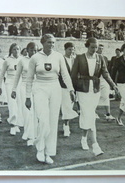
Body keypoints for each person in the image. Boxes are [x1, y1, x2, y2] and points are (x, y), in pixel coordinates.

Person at [25, 34, 75, 164]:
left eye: (53, 43)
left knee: (53, 122)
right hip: (39, 88)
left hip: (55, 88)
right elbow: (29, 78)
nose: (51, 45)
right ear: (42, 43)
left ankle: (49, 152)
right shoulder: (35, 58)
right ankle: (40, 149)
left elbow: (65, 74)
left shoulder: (58, 56)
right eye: (49, 42)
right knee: (43, 121)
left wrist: (71, 89)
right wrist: (27, 97)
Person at [71, 38, 118, 156]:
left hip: (95, 90)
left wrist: (113, 85)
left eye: (96, 47)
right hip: (82, 90)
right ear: (87, 46)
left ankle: (83, 137)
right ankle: (95, 145)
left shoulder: (100, 58)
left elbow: (105, 73)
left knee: (89, 114)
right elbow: (73, 76)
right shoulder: (79, 58)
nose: (94, 49)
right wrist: (72, 91)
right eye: (92, 47)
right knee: (89, 115)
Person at [11, 42, 38, 145]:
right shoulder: (22, 61)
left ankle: (33, 134)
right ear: (27, 50)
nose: (34, 52)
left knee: (35, 112)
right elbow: (17, 76)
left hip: (37, 87)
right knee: (27, 112)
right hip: (24, 87)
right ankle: (29, 134)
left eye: (35, 50)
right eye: (31, 50)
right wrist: (13, 89)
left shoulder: (39, 59)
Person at [0, 43, 24, 135]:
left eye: (18, 49)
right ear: (11, 51)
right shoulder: (7, 61)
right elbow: (1, 75)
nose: (16, 51)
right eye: (14, 49)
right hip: (9, 84)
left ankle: (17, 124)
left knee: (20, 104)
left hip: (20, 83)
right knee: (12, 104)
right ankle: (12, 125)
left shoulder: (23, 59)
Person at [59, 42, 79, 137]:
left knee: (69, 106)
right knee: (66, 107)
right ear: (65, 49)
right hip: (63, 86)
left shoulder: (75, 60)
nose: (71, 51)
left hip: (73, 86)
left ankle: (65, 123)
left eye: (72, 49)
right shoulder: (61, 59)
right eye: (69, 49)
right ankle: (66, 127)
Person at [96, 44, 115, 121]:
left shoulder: (105, 58)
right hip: (95, 79)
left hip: (103, 79)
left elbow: (106, 70)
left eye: (102, 49)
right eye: (99, 48)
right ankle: (93, 112)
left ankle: (108, 114)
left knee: (106, 96)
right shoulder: (92, 57)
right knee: (95, 96)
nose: (101, 50)